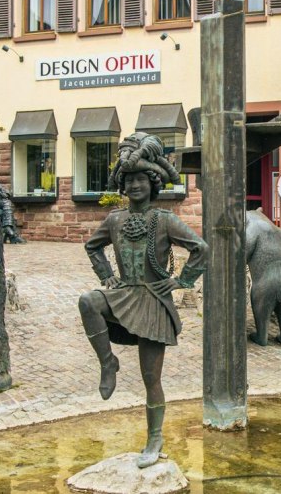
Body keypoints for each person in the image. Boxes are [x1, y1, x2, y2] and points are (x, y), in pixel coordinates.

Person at [78, 141, 208, 468]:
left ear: (153, 183)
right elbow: (93, 247)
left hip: (152, 301)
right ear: (122, 185)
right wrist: (107, 276)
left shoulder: (164, 219)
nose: (135, 185)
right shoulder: (115, 219)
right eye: (129, 180)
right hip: (124, 293)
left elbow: (201, 248)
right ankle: (108, 363)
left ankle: (155, 437)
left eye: (141, 179)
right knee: (89, 301)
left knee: (151, 378)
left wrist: (183, 281)